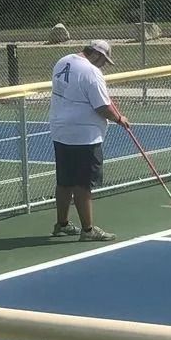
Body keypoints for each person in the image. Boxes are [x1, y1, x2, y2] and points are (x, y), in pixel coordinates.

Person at [48, 39, 131, 242]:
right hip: (84, 135)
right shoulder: (91, 71)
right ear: (96, 55)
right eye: (103, 60)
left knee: (65, 180)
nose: (103, 65)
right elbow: (102, 106)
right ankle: (87, 230)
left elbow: (88, 94)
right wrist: (120, 119)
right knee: (83, 183)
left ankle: (63, 223)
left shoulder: (63, 61)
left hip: (61, 129)